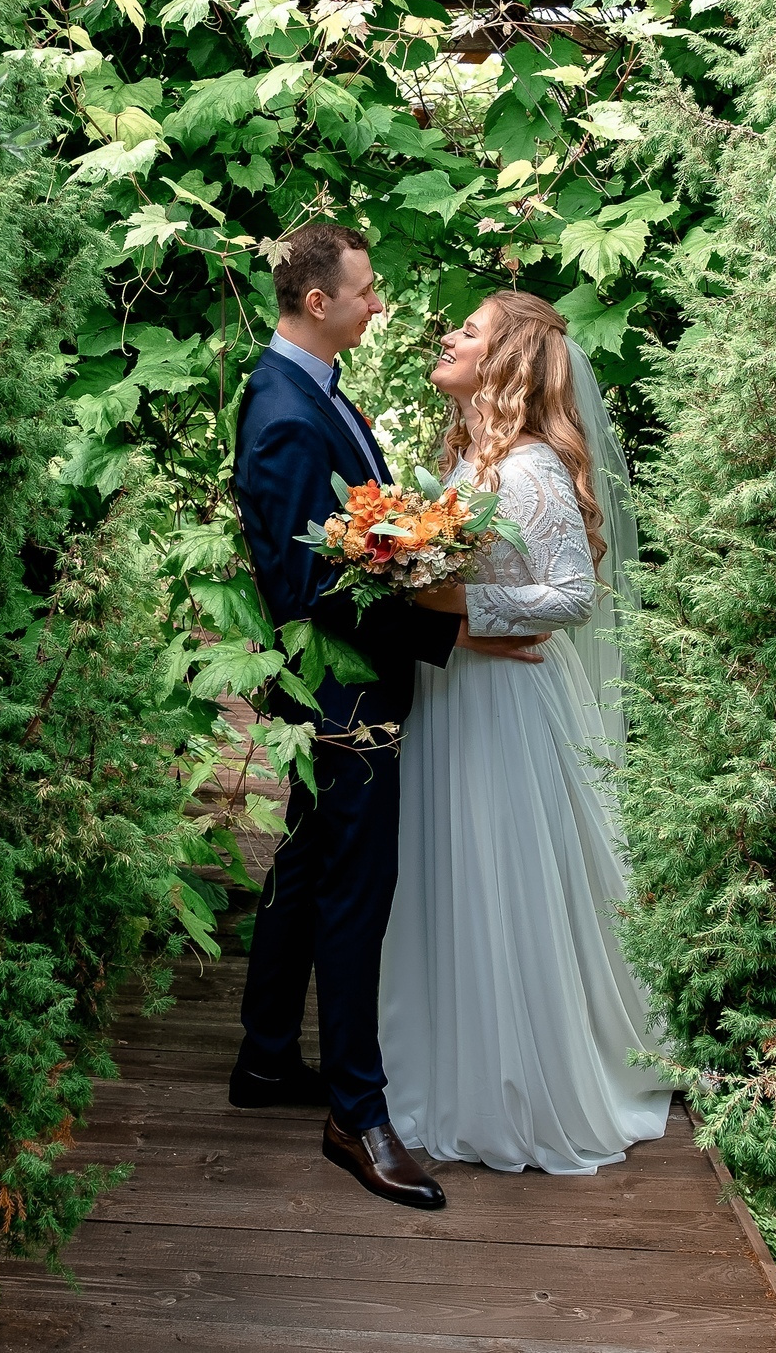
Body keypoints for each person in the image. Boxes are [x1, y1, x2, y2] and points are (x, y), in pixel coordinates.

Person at [226, 224, 549, 1212]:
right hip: (344, 696)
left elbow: (349, 536)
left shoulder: (314, 386)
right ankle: (355, 1115)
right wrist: (441, 628)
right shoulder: (283, 409)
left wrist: (411, 553)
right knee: (352, 898)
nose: (380, 305)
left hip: (348, 686)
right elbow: (299, 589)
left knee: (305, 866)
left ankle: (269, 1060)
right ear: (318, 302)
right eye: (365, 292)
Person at [380, 289, 674, 1173]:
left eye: (466, 329)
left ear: (507, 359)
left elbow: (573, 594)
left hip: (506, 702)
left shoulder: (532, 469)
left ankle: (519, 1085)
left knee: (501, 874)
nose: (446, 332)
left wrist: (465, 607)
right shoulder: (473, 464)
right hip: (458, 692)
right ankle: (452, 1065)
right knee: (455, 871)